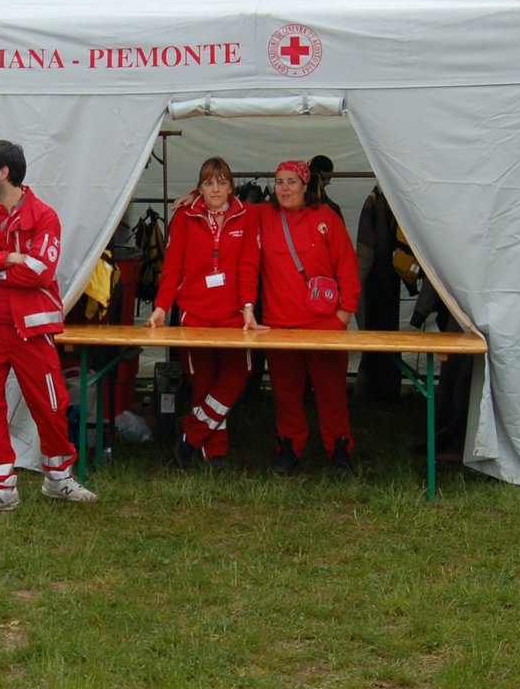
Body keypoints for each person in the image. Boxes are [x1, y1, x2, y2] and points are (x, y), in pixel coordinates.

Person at [0, 139, 97, 513]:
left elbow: (40, 271)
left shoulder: (44, 215)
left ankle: (58, 478)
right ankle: (1, 488)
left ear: (4, 173)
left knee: (49, 406)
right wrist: (7, 257)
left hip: (30, 331)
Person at [146, 157, 261, 470]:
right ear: (199, 187)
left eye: (221, 182)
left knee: (238, 375)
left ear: (231, 186)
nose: (215, 189)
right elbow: (172, 268)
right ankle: (216, 453)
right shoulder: (185, 216)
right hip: (194, 313)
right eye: (209, 183)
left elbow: (248, 265)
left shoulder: (247, 215)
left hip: (234, 315)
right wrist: (161, 307)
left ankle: (191, 434)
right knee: (204, 382)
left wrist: (248, 307)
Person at [257, 159, 362, 476]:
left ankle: (340, 448)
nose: (284, 188)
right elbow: (222, 202)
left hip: (324, 325)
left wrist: (345, 313)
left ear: (306, 185)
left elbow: (347, 265)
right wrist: (193, 194)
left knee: (331, 390)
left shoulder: (326, 218)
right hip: (280, 324)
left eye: (291, 181)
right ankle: (289, 447)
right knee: (286, 392)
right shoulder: (263, 215)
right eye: (279, 182)